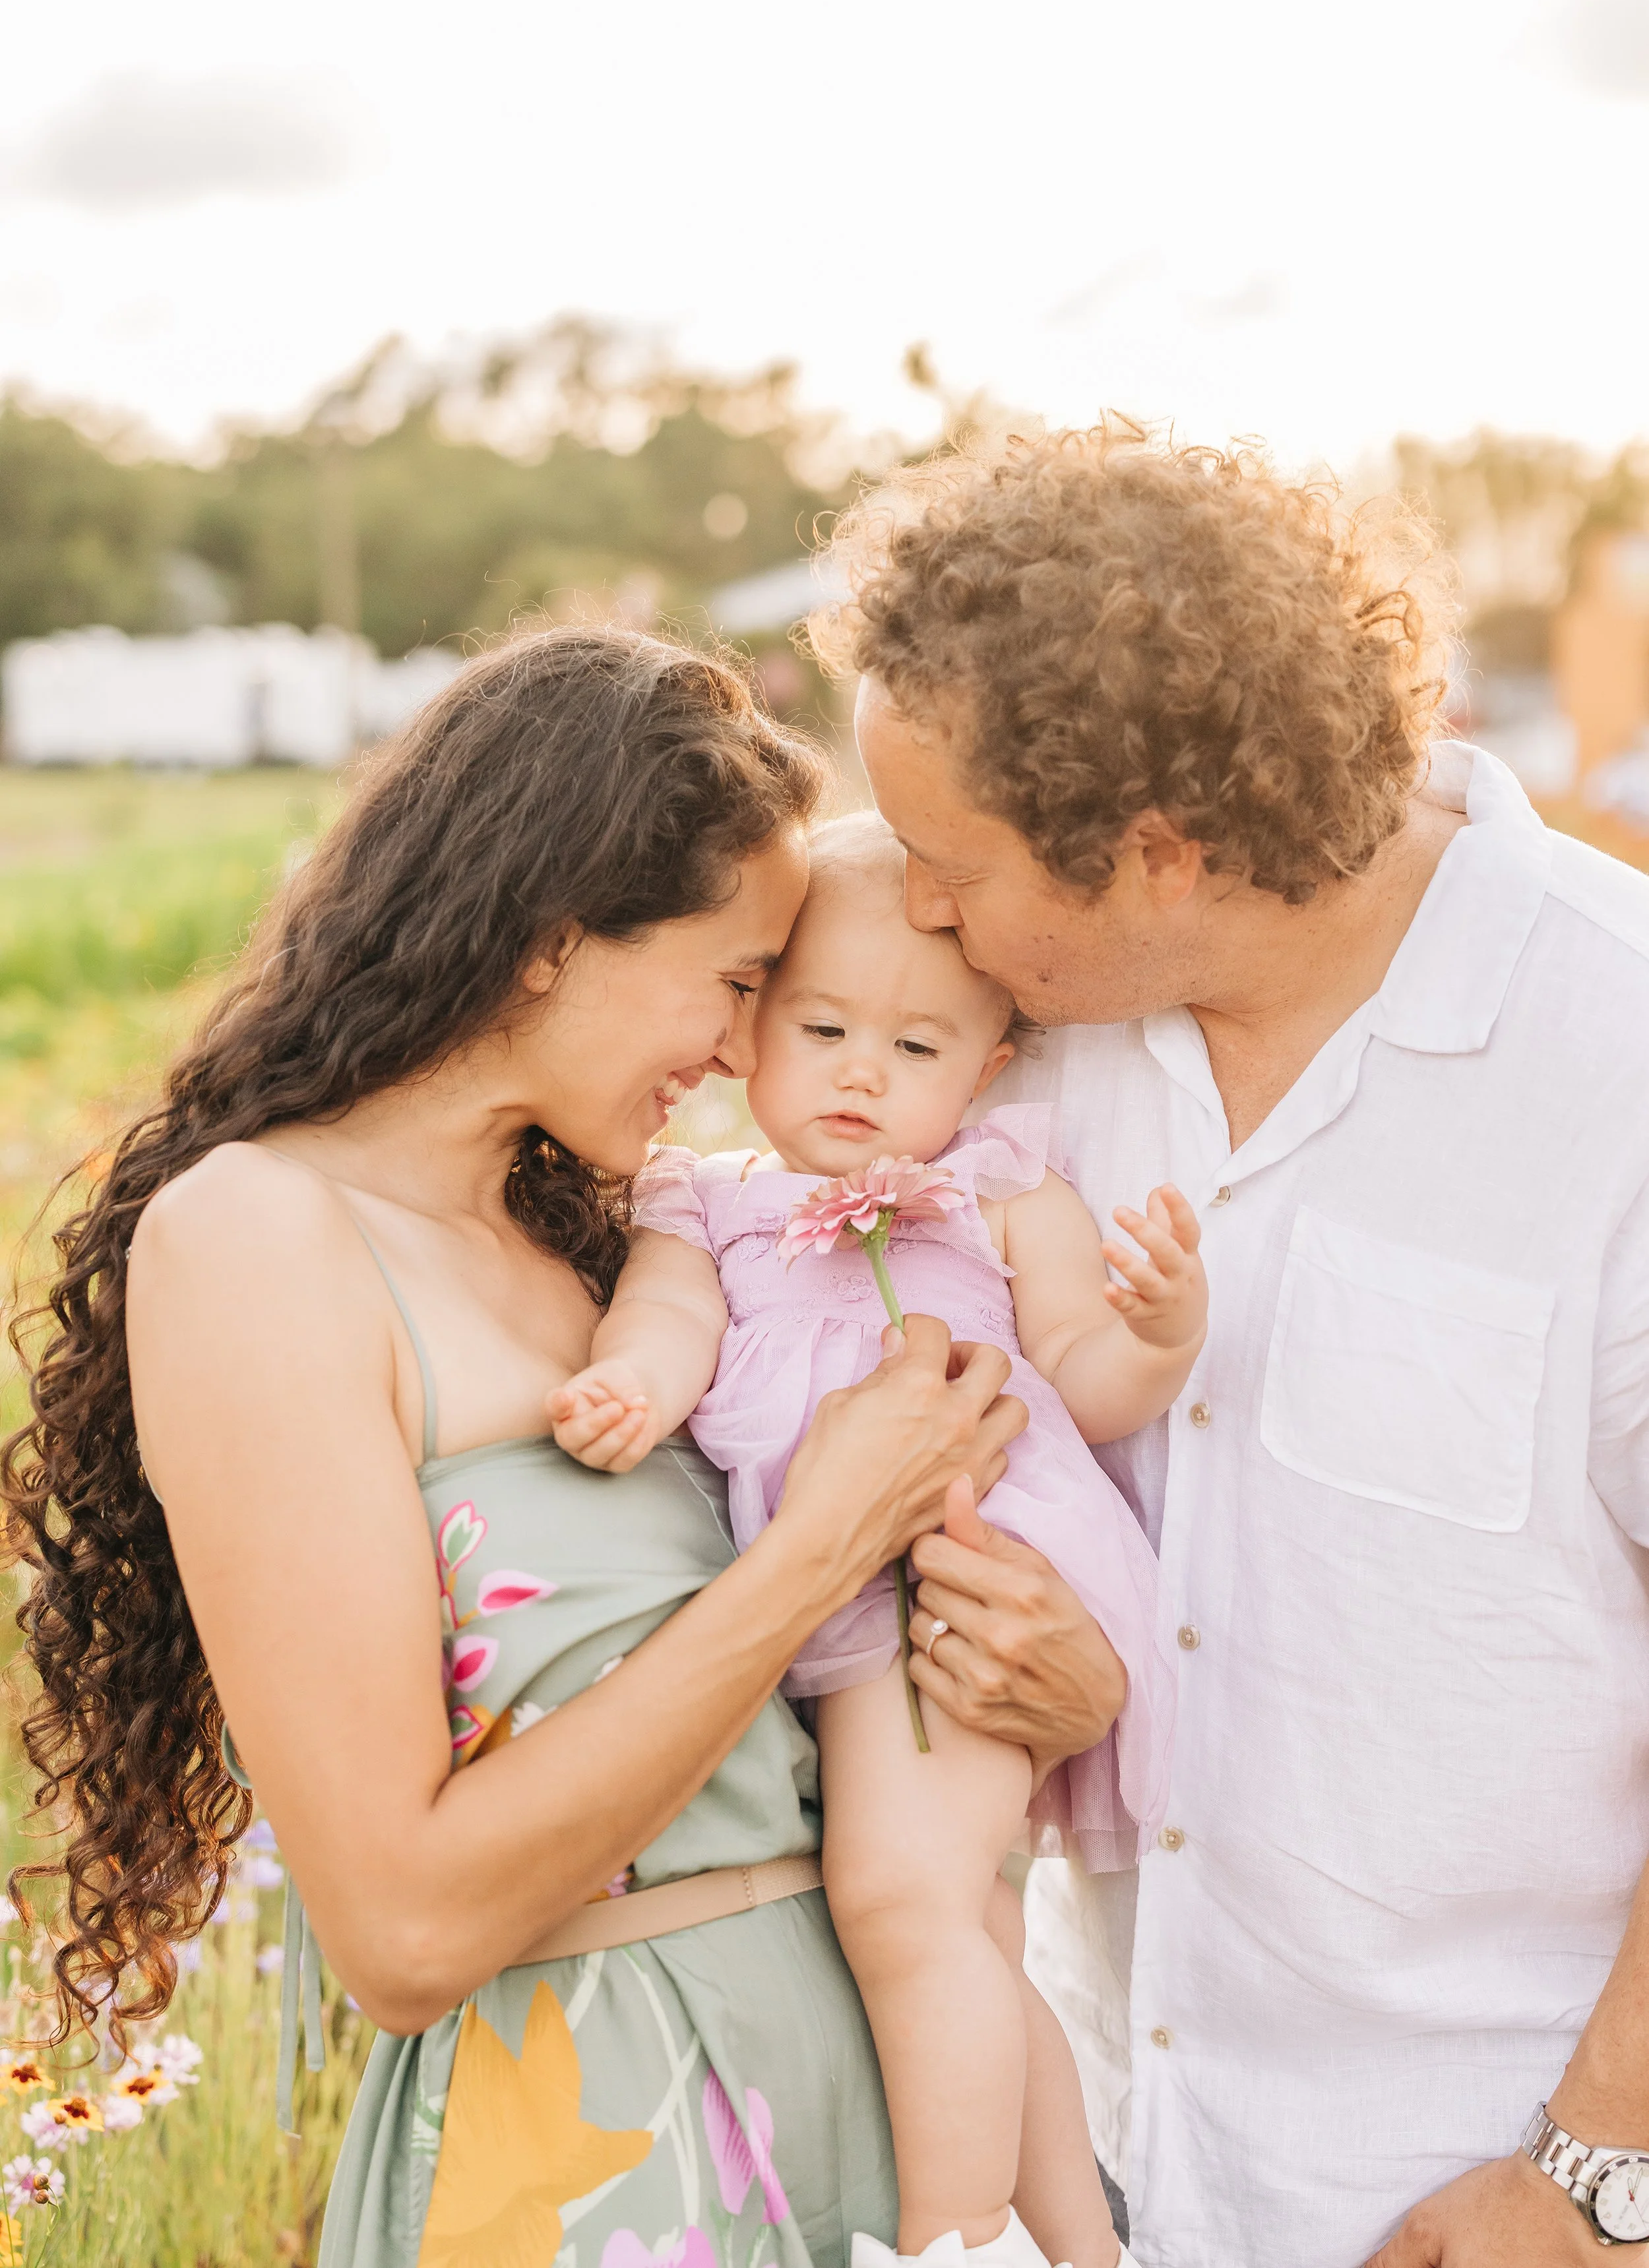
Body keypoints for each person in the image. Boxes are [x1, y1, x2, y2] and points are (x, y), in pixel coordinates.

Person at [1, 628, 1084, 2268]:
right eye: (736, 982)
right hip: (599, 2150)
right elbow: (403, 1927)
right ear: (550, 942)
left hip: (862, 2097)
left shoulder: (614, 1245)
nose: (742, 1050)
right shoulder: (261, 1237)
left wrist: (1052, 1665)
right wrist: (817, 1547)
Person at [832, 424, 1649, 2268]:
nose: (919, 907)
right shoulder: (1006, 1047)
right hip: (1102, 2172)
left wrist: (1597, 2170)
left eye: (949, 862)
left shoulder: (1616, 1055)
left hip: (1483, 2189)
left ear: (1157, 854)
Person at [550, 809, 1204, 2268]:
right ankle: (1078, 2248)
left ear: (988, 1067)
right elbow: (669, 1317)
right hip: (835, 1580)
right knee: (962, 1923)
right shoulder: (705, 1199)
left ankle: (949, 2240)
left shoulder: (992, 1187)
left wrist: (1159, 1336)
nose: (861, 1071)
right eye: (823, 1026)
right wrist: (631, 1383)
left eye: (915, 1047)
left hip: (971, 1568)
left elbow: (1084, 1375)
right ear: (750, 1032)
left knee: (898, 1899)